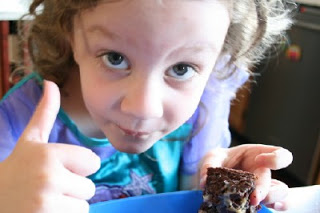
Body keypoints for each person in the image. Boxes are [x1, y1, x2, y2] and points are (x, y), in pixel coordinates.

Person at [0, 0, 295, 212]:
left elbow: (193, 196)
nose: (144, 109)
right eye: (115, 58)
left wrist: (226, 195)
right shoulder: (18, 120)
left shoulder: (205, 112)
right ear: (70, 34)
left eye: (181, 69)